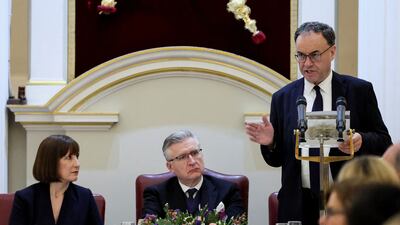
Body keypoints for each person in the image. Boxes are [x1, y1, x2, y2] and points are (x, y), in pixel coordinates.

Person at [245, 21, 392, 225]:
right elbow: (276, 160)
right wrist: (271, 142)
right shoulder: (283, 97)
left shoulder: (359, 91)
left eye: (315, 55)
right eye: (300, 55)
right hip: (298, 204)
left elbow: (384, 142)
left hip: (347, 202)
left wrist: (361, 140)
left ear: (332, 52)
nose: (306, 63)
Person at [142, 130, 244, 219]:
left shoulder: (228, 191)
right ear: (170, 167)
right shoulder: (156, 194)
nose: (192, 161)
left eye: (195, 153)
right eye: (182, 157)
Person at [9, 135, 103, 225]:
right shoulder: (25, 198)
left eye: (76, 156)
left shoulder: (85, 196)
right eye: (69, 157)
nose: (77, 164)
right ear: (50, 162)